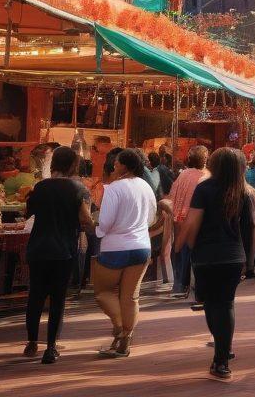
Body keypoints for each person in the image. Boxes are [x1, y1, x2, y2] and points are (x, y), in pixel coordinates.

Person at [178, 148, 253, 380]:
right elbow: (249, 229)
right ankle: (223, 353)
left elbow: (193, 222)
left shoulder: (205, 189)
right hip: (233, 256)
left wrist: (185, 245)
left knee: (211, 304)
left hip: (207, 255)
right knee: (226, 304)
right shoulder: (243, 192)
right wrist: (248, 262)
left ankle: (221, 356)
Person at [23, 145, 94, 364]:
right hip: (63, 249)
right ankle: (51, 347)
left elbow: (28, 211)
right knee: (57, 299)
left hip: (37, 247)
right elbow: (85, 219)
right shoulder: (78, 189)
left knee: (35, 296)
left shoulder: (40, 187)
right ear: (73, 164)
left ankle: (32, 342)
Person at [92, 148, 157, 358]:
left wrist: (99, 230)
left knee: (103, 292)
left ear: (125, 166)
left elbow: (106, 221)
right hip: (141, 246)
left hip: (115, 247)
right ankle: (125, 337)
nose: (114, 165)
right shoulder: (145, 186)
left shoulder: (114, 188)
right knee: (131, 296)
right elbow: (151, 218)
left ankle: (120, 329)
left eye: (117, 162)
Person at [168, 144, 208, 300]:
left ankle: (180, 285)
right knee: (196, 254)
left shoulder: (183, 175)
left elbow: (173, 196)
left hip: (181, 220)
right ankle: (196, 288)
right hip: (199, 220)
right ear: (205, 159)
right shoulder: (207, 176)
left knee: (180, 251)